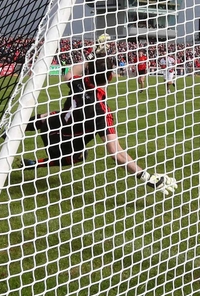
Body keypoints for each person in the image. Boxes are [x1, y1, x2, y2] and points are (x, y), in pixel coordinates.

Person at [23, 51, 178, 196]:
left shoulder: (79, 83)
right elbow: (117, 153)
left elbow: (68, 73)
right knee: (81, 153)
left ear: (88, 72)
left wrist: (90, 58)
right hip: (62, 151)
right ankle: (36, 163)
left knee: (52, 115)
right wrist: (148, 177)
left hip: (48, 130)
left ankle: (13, 132)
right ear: (110, 76)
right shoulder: (102, 112)